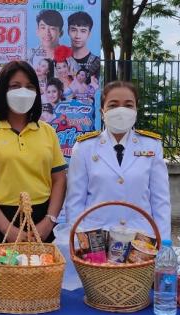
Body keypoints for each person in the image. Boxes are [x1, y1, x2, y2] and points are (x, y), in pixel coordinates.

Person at [0, 61, 67, 259]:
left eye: (29, 87)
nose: (23, 92)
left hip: (41, 222)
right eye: (15, 86)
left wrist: (49, 221)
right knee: (4, 286)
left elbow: (60, 180)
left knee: (41, 282)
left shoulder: (47, 132)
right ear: (3, 90)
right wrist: (9, 230)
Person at [65, 81, 171, 240]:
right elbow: (75, 202)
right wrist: (78, 241)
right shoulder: (85, 147)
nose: (121, 111)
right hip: (96, 238)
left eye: (128, 105)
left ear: (136, 110)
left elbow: (160, 200)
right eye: (113, 105)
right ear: (102, 111)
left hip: (141, 238)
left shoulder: (152, 145)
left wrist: (164, 241)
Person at [66, 11, 101, 83]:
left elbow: (91, 91)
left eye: (83, 31)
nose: (77, 36)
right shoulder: (61, 57)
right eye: (73, 30)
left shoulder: (95, 61)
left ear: (89, 34)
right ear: (68, 31)